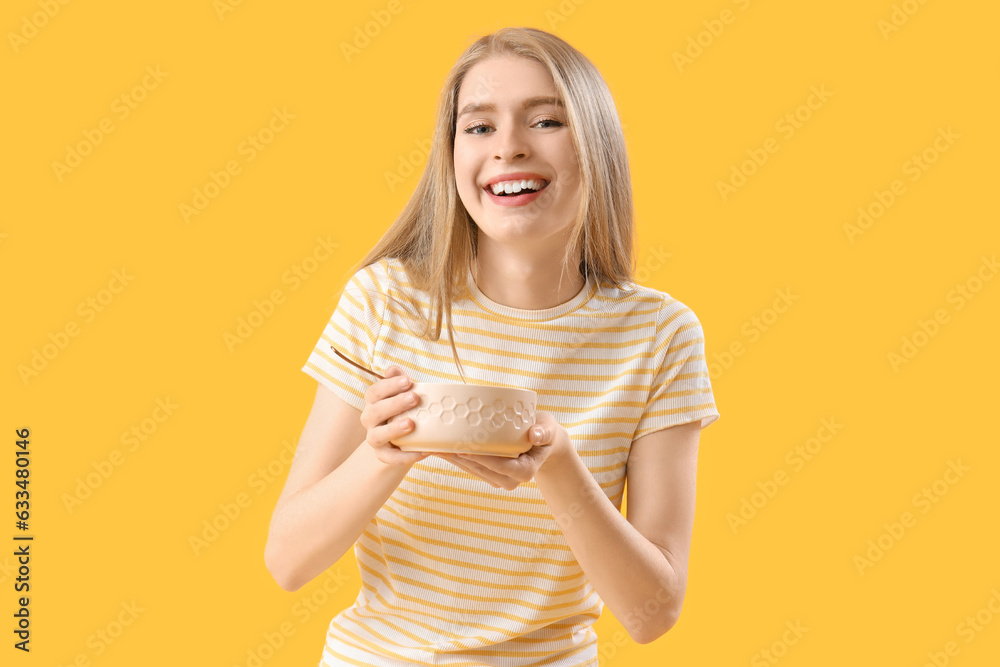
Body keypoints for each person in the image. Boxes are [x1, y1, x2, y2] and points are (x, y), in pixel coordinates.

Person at [264, 26, 721, 667]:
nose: (508, 148)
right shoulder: (384, 301)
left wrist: (557, 464)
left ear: (596, 144)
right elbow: (287, 561)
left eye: (546, 121)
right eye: (478, 128)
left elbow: (653, 613)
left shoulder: (660, 337)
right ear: (451, 156)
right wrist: (385, 454)